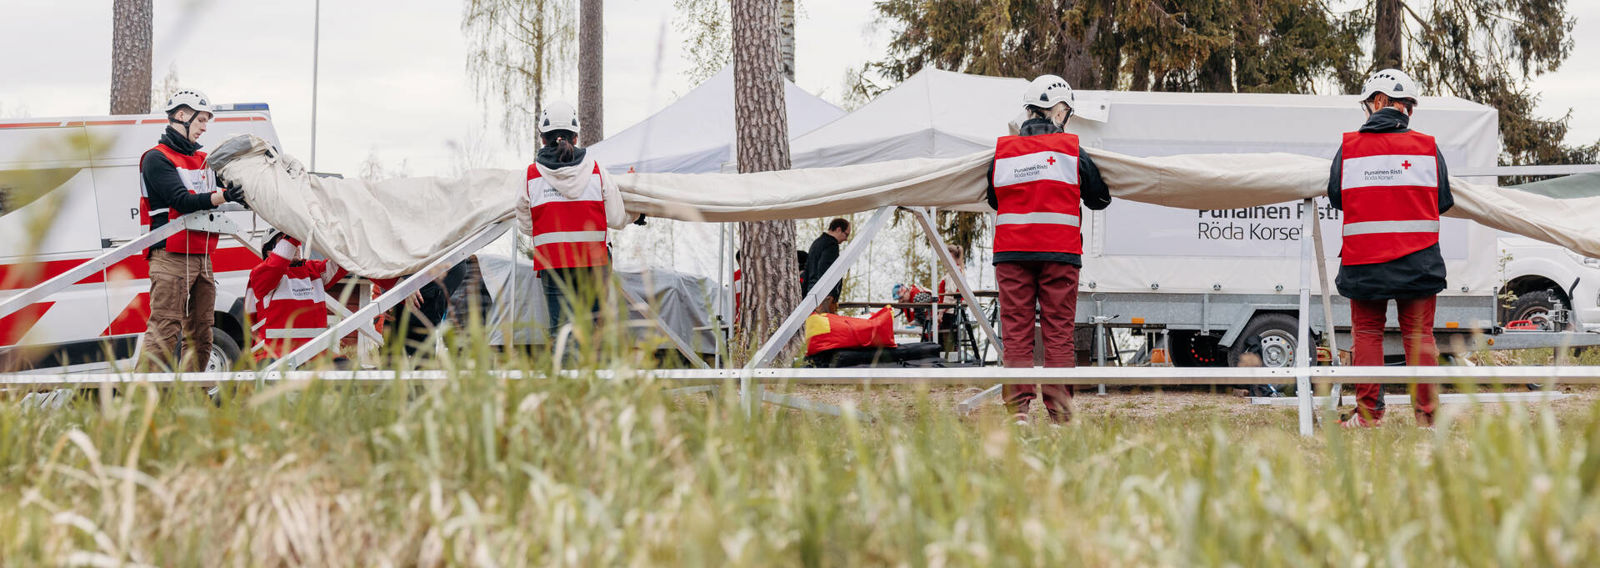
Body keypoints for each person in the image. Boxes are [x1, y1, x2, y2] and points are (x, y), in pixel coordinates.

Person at [985, 75, 1112, 424]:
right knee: (1057, 332)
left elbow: (995, 199)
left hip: (1011, 254)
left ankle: (1019, 415)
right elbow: (1100, 198)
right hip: (1060, 254)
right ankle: (1060, 417)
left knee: (1016, 332)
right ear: (1059, 111)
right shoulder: (1072, 150)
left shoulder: (1004, 152)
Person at [1329, 68, 1449, 428]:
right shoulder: (1427, 147)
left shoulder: (1349, 147)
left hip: (1365, 262)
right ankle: (1427, 421)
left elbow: (1337, 197)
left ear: (1378, 102)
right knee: (1419, 337)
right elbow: (1441, 200)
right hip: (1419, 260)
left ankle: (1369, 417)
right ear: (1399, 106)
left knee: (1367, 334)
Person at [138, 88, 247, 371]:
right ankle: (140, 402)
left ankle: (193, 398)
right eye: (201, 120)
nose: (204, 127)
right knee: (165, 329)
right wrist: (223, 196)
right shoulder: (156, 158)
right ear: (182, 116)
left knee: (202, 330)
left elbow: (223, 190)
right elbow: (182, 201)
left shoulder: (204, 160)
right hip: (170, 256)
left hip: (202, 256)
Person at [516, 101, 636, 341]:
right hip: (594, 266)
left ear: (542, 139)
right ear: (576, 137)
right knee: (590, 333)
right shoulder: (596, 171)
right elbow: (616, 219)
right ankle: (588, 377)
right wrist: (636, 215)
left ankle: (565, 376)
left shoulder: (530, 176)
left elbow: (526, 226)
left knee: (560, 334)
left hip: (553, 264)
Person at [803, 218, 851, 313]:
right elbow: (826, 269)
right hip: (824, 295)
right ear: (838, 229)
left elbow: (808, 269)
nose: (846, 239)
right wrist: (831, 293)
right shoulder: (831, 245)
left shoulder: (817, 243)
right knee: (825, 324)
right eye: (846, 234)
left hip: (810, 292)